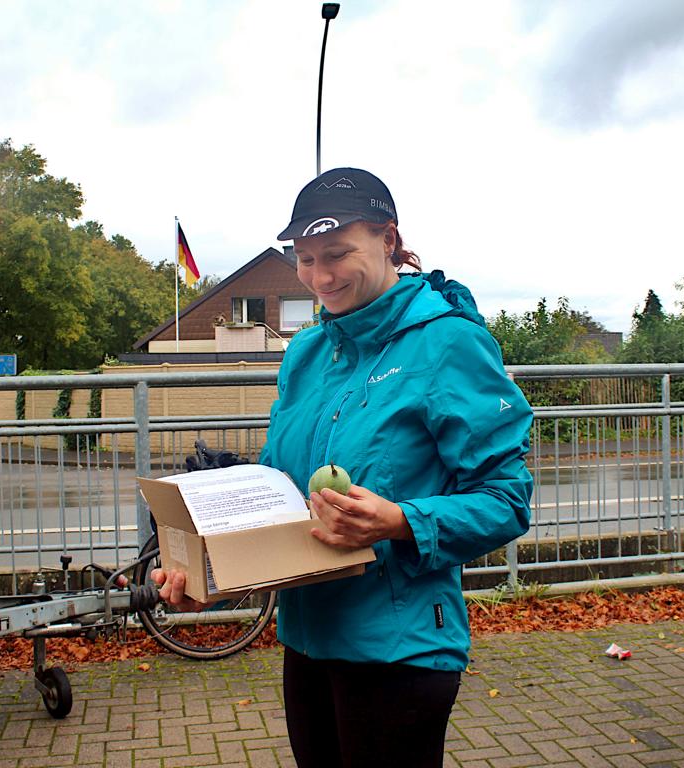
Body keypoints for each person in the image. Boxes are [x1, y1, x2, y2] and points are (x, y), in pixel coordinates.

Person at [153, 167, 533, 767]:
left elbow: (506, 500)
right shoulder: (306, 352)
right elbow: (280, 493)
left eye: (336, 253)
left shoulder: (449, 343)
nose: (319, 276)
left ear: (388, 239)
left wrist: (399, 520)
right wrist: (207, 572)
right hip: (308, 640)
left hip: (400, 649)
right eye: (304, 258)